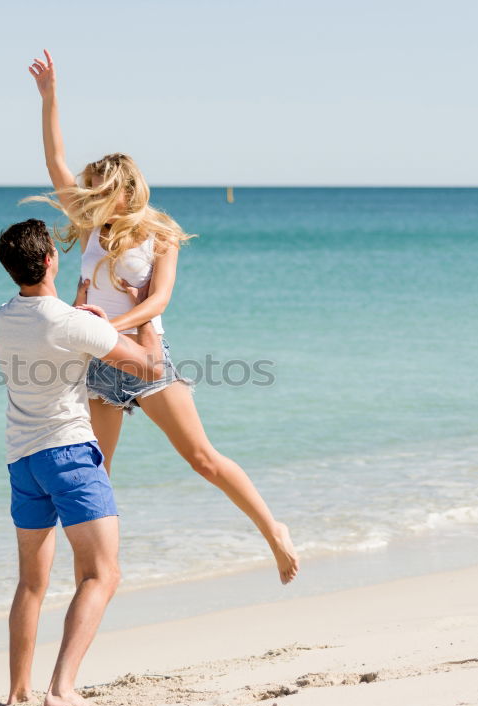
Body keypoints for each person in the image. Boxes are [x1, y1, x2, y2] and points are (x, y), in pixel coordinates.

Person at [24, 49, 299, 585]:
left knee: (202, 458)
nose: (90, 196)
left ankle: (273, 530)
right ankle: (95, 570)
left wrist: (108, 327)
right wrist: (50, 97)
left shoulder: (160, 232)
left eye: (101, 189)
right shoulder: (88, 225)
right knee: (95, 476)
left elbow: (159, 301)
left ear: (126, 188)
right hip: (100, 364)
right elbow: (56, 159)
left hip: (147, 360)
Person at [0, 218, 165, 706]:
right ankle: (62, 690)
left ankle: (17, 692)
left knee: (31, 582)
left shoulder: (4, 316)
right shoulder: (74, 323)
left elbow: (51, 324)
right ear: (50, 258)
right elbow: (150, 367)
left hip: (22, 460)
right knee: (102, 574)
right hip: (68, 455)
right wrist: (143, 310)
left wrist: (82, 312)